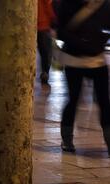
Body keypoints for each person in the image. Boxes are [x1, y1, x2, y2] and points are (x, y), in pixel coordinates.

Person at [57, 0, 110, 155]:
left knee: (104, 102)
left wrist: (98, 42)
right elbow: (61, 31)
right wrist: (84, 44)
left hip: (97, 60)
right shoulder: (68, 4)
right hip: (74, 60)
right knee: (73, 99)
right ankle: (67, 139)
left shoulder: (104, 5)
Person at [38, 0, 56, 86]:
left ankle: (44, 73)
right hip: (43, 25)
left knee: (43, 51)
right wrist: (54, 19)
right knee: (46, 52)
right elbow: (49, 6)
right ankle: (45, 72)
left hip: (34, 25)